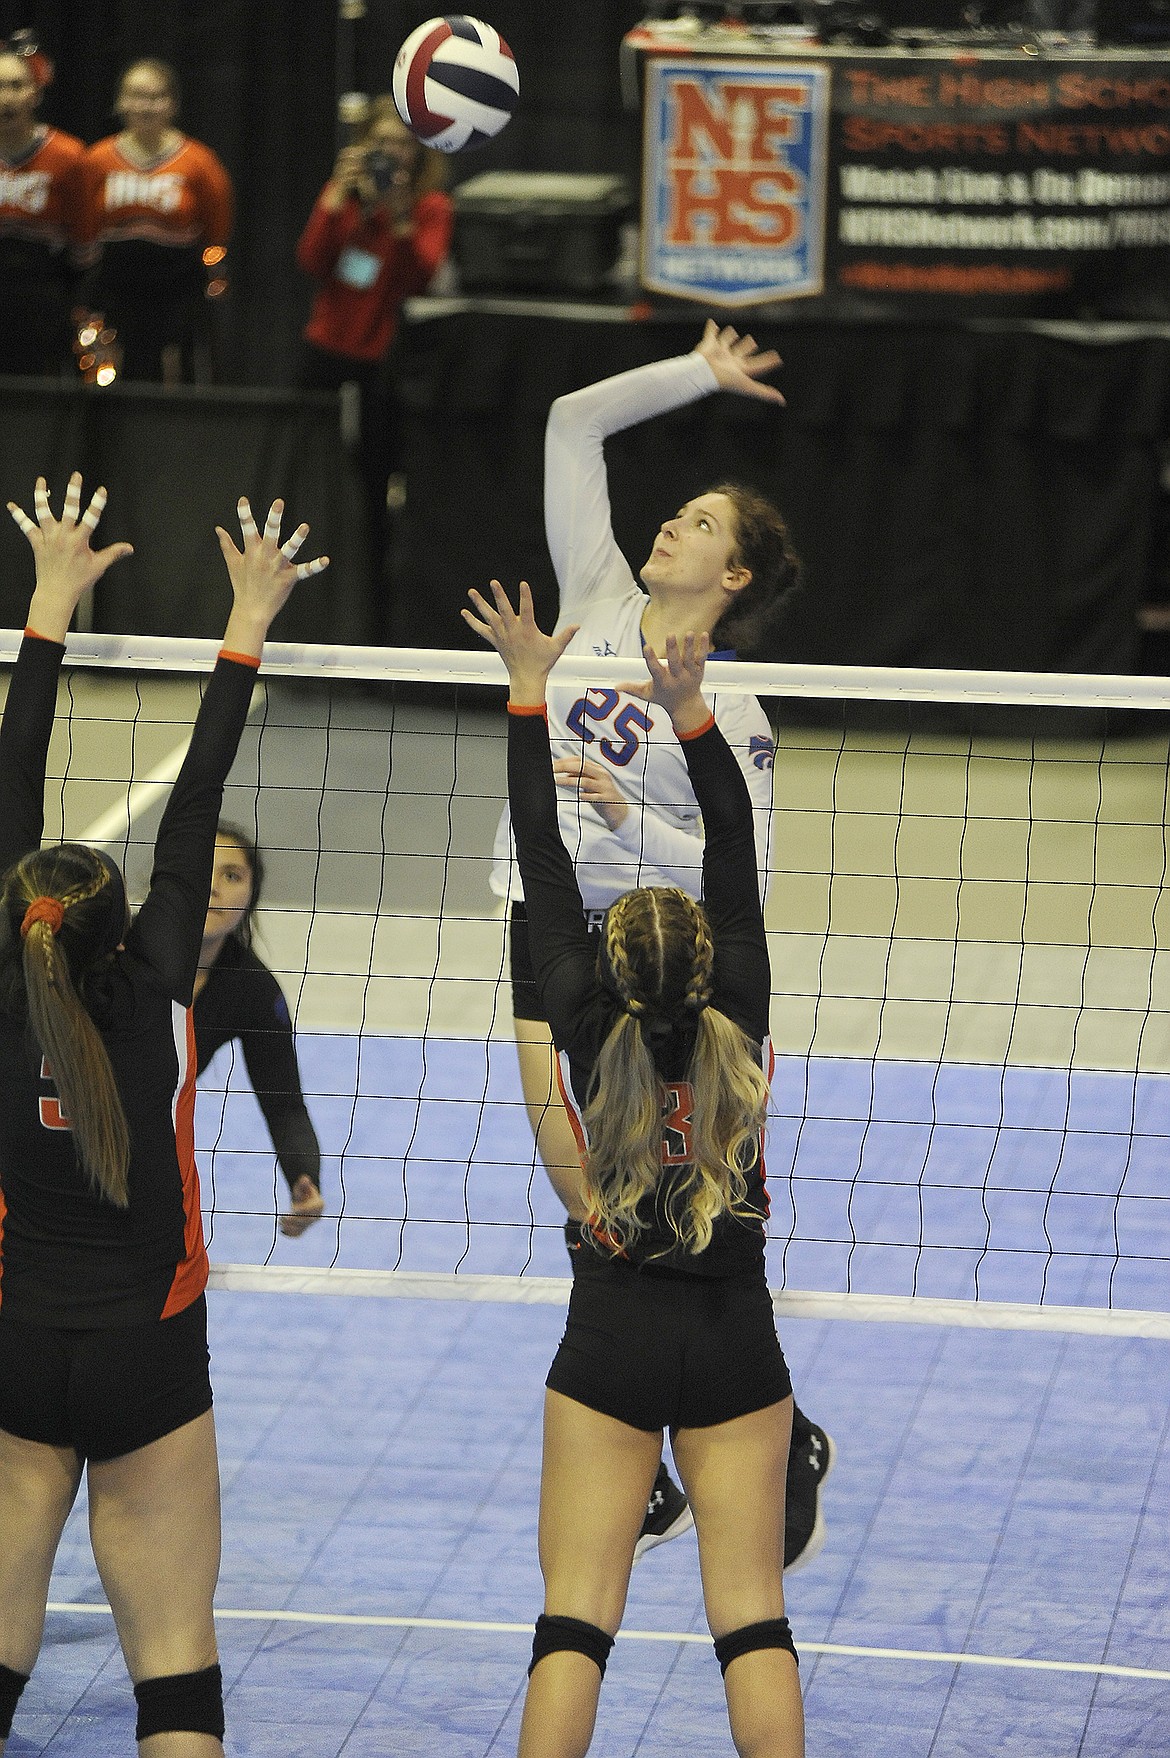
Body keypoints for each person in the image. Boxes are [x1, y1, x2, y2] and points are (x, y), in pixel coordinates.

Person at [490, 320, 834, 1566]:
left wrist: (633, 821)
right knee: (573, 1185)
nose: (671, 528)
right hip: (544, 923)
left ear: (733, 576)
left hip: (665, 974)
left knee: (694, 1196)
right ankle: (641, 1429)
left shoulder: (730, 706)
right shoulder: (592, 602)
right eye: (677, 511)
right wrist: (697, 374)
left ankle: (770, 1422)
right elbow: (572, 422)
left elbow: (744, 880)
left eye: (699, 524)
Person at [0, 474, 325, 1757]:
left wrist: (47, 602)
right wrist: (248, 617)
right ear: (129, 916)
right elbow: (201, 797)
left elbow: (11, 779)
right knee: (176, 1675)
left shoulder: (8, 998)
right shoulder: (167, 1004)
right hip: (150, 1354)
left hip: (20, 1346)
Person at [464, 580, 804, 1758]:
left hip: (609, 1334)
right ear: (714, 966)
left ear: (607, 966)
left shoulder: (574, 1008)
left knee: (575, 1625)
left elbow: (544, 861)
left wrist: (526, 690)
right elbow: (737, 844)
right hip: (735, 1338)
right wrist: (692, 711)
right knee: (753, 1621)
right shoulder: (743, 1004)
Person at [296, 96, 453, 605]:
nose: (393, 155)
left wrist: (401, 216)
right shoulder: (345, 193)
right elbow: (312, 259)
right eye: (383, 143)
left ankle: (369, 591)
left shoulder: (431, 206)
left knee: (373, 476)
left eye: (404, 145)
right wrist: (337, 199)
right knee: (309, 464)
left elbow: (420, 278)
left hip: (384, 355)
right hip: (328, 344)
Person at [194, 822, 324, 1238]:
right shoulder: (117, 951)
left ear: (250, 897)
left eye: (231, 876)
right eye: (201, 868)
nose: (213, 887)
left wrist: (303, 1176)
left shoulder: (252, 990)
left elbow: (284, 1104)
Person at [78, 58, 233, 383]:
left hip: (177, 289)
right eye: (136, 95)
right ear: (121, 101)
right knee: (113, 376)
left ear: (173, 103)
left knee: (175, 376)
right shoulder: (97, 159)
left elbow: (217, 226)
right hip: (116, 288)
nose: (146, 106)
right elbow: (83, 224)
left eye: (156, 97)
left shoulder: (199, 161)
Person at [0, 38, 85, 376]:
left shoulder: (69, 157)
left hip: (42, 299)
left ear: (35, 93)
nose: (5, 97)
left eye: (15, 86)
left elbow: (83, 243)